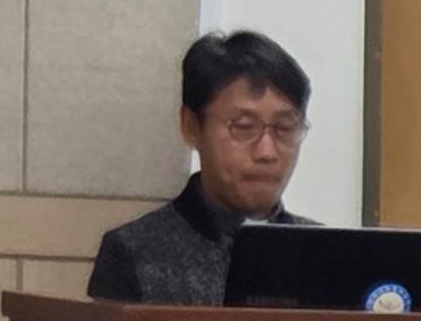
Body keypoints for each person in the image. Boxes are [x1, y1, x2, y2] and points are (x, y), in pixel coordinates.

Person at [88, 28, 315, 302]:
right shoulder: (135, 252)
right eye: (244, 127)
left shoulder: (326, 252)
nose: (266, 152)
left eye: (285, 127)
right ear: (191, 126)